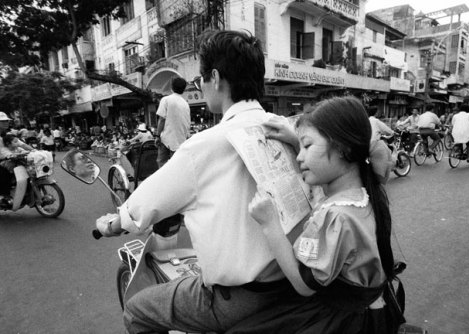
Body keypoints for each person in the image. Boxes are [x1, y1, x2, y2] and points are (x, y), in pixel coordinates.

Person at [96, 30, 296, 334]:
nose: (200, 87)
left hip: (237, 301)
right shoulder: (289, 133)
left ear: (214, 78)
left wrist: (112, 224)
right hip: (292, 284)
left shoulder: (204, 145)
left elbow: (144, 204)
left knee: (137, 310)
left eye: (201, 80)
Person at [228, 96, 399, 333]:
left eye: (308, 146)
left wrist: (270, 224)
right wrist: (297, 140)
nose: (299, 157)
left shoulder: (335, 218)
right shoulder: (360, 196)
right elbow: (327, 170)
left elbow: (304, 284)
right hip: (369, 313)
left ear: (343, 149)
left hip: (337, 321)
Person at [155, 76, 191, 168]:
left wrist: (157, 135)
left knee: (162, 163)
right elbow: (187, 124)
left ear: (172, 87)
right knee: (177, 167)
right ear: (183, 89)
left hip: (166, 140)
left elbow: (162, 119)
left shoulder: (166, 100)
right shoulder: (185, 104)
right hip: (181, 140)